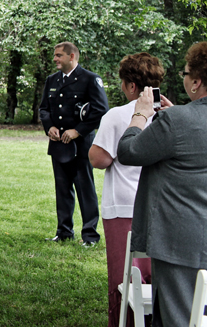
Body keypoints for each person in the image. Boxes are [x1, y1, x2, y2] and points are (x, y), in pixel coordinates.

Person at [118, 41, 207, 327]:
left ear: (197, 82)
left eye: (186, 72)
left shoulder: (176, 120)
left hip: (184, 248)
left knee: (179, 320)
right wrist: (179, 114)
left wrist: (140, 114)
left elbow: (129, 152)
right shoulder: (180, 118)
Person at [88, 52, 162, 327]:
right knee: (157, 278)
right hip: (161, 208)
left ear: (131, 86)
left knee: (125, 279)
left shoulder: (118, 115)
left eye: (122, 82)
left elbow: (99, 158)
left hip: (123, 208)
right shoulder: (171, 115)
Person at [38, 41, 108, 245]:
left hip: (81, 146)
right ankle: (64, 232)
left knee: (85, 189)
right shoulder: (52, 80)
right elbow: (44, 108)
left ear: (72, 57)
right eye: (55, 55)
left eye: (59, 55)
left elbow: (100, 110)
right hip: (59, 143)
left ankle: (90, 236)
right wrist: (49, 126)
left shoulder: (89, 79)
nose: (55, 59)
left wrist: (78, 131)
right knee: (62, 189)